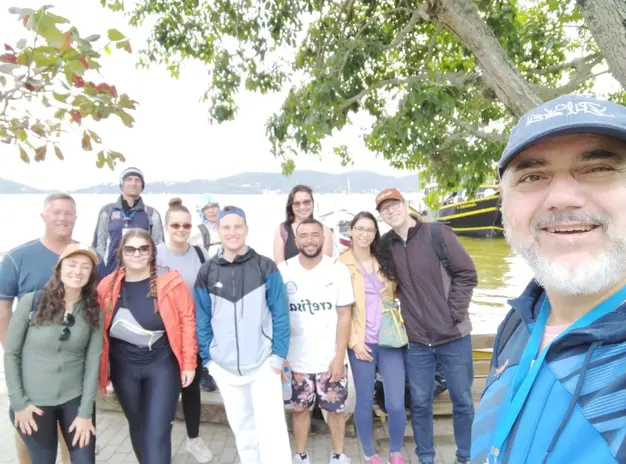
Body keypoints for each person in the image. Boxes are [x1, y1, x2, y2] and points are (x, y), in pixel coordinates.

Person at [471, 94, 626, 463]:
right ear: (504, 203)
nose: (562, 198)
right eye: (533, 176)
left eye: (598, 168)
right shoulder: (519, 321)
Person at [0, 192, 105, 464]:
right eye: (56, 212)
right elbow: (5, 323)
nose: (62, 218)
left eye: (68, 212)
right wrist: (19, 396)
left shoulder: (92, 309)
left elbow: (93, 358)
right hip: (34, 389)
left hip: (72, 392)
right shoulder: (18, 263)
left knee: (78, 454)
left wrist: (86, 411)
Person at [376, 188, 478, 464]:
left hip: (454, 336)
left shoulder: (437, 234)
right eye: (384, 209)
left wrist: (453, 313)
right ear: (381, 215)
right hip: (417, 341)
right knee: (420, 403)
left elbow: (466, 273)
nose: (391, 211)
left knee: (462, 401)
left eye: (394, 204)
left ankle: (466, 456)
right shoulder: (386, 246)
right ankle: (426, 457)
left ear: (405, 204)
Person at [194, 206, 292, 464]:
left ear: (246, 229)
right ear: (218, 230)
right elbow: (202, 319)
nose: (232, 232)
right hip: (224, 367)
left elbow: (281, 314)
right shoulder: (207, 271)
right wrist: (209, 359)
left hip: (263, 364)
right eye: (226, 227)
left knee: (272, 431)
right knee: (243, 429)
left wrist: (278, 357)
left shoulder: (265, 266)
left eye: (238, 226)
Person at [97, 228, 197, 464]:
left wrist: (189, 363)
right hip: (123, 368)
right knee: (138, 426)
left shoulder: (171, 281)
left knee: (157, 434)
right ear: (121, 253)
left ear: (152, 252)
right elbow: (97, 329)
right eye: (130, 249)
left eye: (144, 248)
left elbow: (187, 322)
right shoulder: (107, 286)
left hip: (161, 365)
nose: (137, 254)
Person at [279, 218, 354, 464]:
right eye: (304, 235)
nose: (309, 240)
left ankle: (338, 455)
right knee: (299, 410)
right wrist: (281, 356)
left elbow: (344, 315)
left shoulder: (337, 270)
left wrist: (339, 357)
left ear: (323, 238)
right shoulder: (283, 271)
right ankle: (301, 455)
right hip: (296, 361)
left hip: (329, 360)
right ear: (296, 240)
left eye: (315, 235)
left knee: (336, 411)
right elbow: (277, 316)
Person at [337, 212, 406, 464]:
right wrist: (353, 342)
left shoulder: (385, 259)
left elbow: (400, 291)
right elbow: (339, 310)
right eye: (360, 229)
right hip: (361, 342)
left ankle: (396, 452)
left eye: (370, 229)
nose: (365, 234)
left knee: (396, 402)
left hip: (390, 339)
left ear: (375, 233)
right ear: (351, 231)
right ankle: (369, 453)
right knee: (364, 401)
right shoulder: (340, 264)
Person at [156, 198, 214, 463]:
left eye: (186, 225)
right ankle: (160, 442)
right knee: (164, 391)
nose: (181, 229)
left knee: (191, 389)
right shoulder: (154, 254)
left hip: (193, 332)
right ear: (167, 226)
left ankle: (194, 439)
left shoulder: (201, 254)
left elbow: (211, 291)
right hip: (163, 333)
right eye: (175, 225)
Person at [92, 166, 164, 276]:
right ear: (122, 184)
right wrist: (98, 273)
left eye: (137, 180)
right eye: (129, 179)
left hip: (142, 275)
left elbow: (159, 248)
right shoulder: (107, 211)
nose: (133, 183)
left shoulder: (151, 214)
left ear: (142, 186)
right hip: (111, 274)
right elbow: (99, 246)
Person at [273, 185, 334, 263]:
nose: (302, 207)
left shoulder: (325, 231)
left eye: (306, 202)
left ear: (312, 203)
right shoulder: (282, 230)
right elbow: (280, 265)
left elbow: (325, 263)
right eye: (297, 203)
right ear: (291, 206)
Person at [189, 193, 221, 258]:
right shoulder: (198, 231)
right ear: (201, 212)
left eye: (214, 206)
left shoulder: (230, 227)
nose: (211, 211)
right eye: (206, 208)